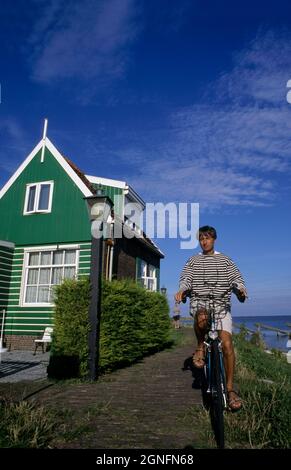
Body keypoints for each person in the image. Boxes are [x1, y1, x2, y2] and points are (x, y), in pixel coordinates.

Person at [175, 225, 247, 411]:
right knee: (201, 317)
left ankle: (230, 390)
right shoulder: (193, 260)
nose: (204, 241)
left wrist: (240, 289)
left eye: (207, 238)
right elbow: (186, 279)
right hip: (200, 302)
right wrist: (182, 290)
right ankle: (200, 346)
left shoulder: (225, 260)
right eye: (201, 239)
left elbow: (236, 278)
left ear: (214, 239)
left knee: (227, 344)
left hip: (222, 305)